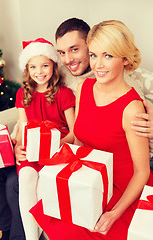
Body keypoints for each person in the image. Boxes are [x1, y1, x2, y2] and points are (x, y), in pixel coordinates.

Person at [29, 20, 153, 240]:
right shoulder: (83, 88)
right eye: (94, 55)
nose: (98, 65)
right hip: (92, 179)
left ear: (125, 59)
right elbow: (78, 140)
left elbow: (141, 172)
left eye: (108, 56)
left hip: (123, 190)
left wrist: (115, 213)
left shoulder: (132, 108)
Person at [55, 17, 153, 163]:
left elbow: (142, 141)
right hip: (85, 157)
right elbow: (32, 94)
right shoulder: (62, 74)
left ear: (89, 45)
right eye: (62, 53)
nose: (67, 60)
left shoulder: (123, 84)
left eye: (74, 49)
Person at [14, 37, 75, 240]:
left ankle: (50, 235)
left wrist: (54, 143)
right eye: (33, 67)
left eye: (44, 65)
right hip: (31, 152)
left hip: (56, 151)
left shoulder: (64, 94)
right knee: (26, 179)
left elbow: (74, 133)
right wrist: (18, 148)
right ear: (27, 70)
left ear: (53, 66)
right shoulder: (22, 94)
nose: (39, 72)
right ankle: (31, 237)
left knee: (44, 186)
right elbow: (22, 129)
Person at [0, 164, 25, 240]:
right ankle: (7, 230)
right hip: (8, 159)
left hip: (27, 160)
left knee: (13, 184)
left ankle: (18, 237)